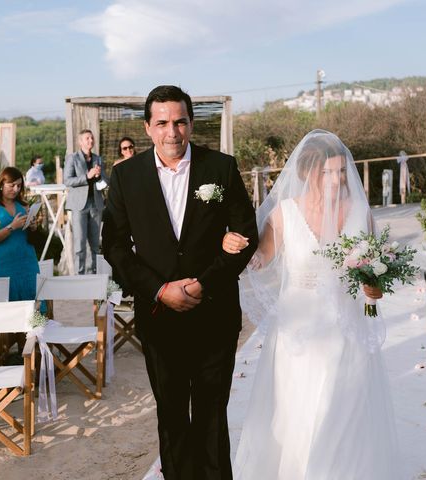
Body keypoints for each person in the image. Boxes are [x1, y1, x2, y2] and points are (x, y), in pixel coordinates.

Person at [225, 130, 400, 479]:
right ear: (309, 173)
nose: (337, 179)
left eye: (340, 171)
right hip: (299, 334)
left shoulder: (360, 212)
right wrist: (234, 246)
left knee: (343, 407)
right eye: (328, 172)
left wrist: (372, 291)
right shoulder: (285, 214)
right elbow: (259, 260)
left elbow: (372, 274)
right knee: (300, 412)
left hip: (346, 328)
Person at [103, 85, 258, 479]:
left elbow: (246, 234)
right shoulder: (125, 176)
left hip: (215, 313)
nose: (172, 132)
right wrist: (160, 290)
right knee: (171, 416)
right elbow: (114, 246)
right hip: (159, 317)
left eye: (180, 122)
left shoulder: (220, 168)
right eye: (163, 123)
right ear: (147, 127)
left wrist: (202, 285)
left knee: (211, 414)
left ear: (190, 123)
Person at [0, 167, 40, 302]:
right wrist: (12, 227)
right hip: (1, 263)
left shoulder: (24, 206)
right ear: (1, 184)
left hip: (27, 262)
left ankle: (36, 323)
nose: (16, 189)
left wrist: (33, 227)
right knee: (6, 308)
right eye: (12, 185)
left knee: (33, 308)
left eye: (19, 186)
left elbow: (32, 239)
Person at [64, 129, 108, 274]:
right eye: (87, 138)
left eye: (92, 138)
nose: (91, 140)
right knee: (80, 244)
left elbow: (106, 180)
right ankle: (79, 275)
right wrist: (87, 176)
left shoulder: (98, 159)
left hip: (96, 204)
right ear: (80, 141)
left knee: (95, 244)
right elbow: (67, 180)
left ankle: (92, 276)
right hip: (79, 205)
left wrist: (100, 176)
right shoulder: (73, 158)